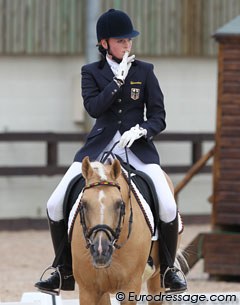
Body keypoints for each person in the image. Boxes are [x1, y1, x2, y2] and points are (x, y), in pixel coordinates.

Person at [35, 8, 187, 295]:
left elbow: (159, 116)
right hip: (99, 148)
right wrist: (117, 82)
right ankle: (62, 269)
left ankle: (168, 269)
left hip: (137, 149)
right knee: (55, 203)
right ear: (104, 43)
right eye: (121, 41)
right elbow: (93, 108)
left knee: (167, 204)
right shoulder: (90, 72)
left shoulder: (145, 71)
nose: (127, 45)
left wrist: (142, 130)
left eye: (129, 40)